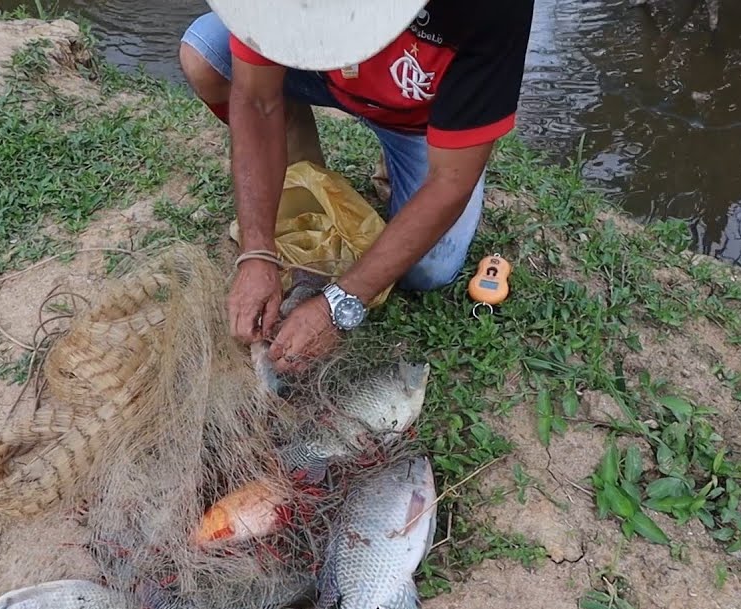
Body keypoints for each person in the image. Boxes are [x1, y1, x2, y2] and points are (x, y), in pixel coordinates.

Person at [178, 0, 535, 373]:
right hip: (320, 75)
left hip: (421, 118)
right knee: (207, 54)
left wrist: (339, 304)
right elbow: (254, 100)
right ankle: (300, 159)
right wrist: (256, 251)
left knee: (429, 269)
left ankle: (454, 139)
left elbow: (450, 181)